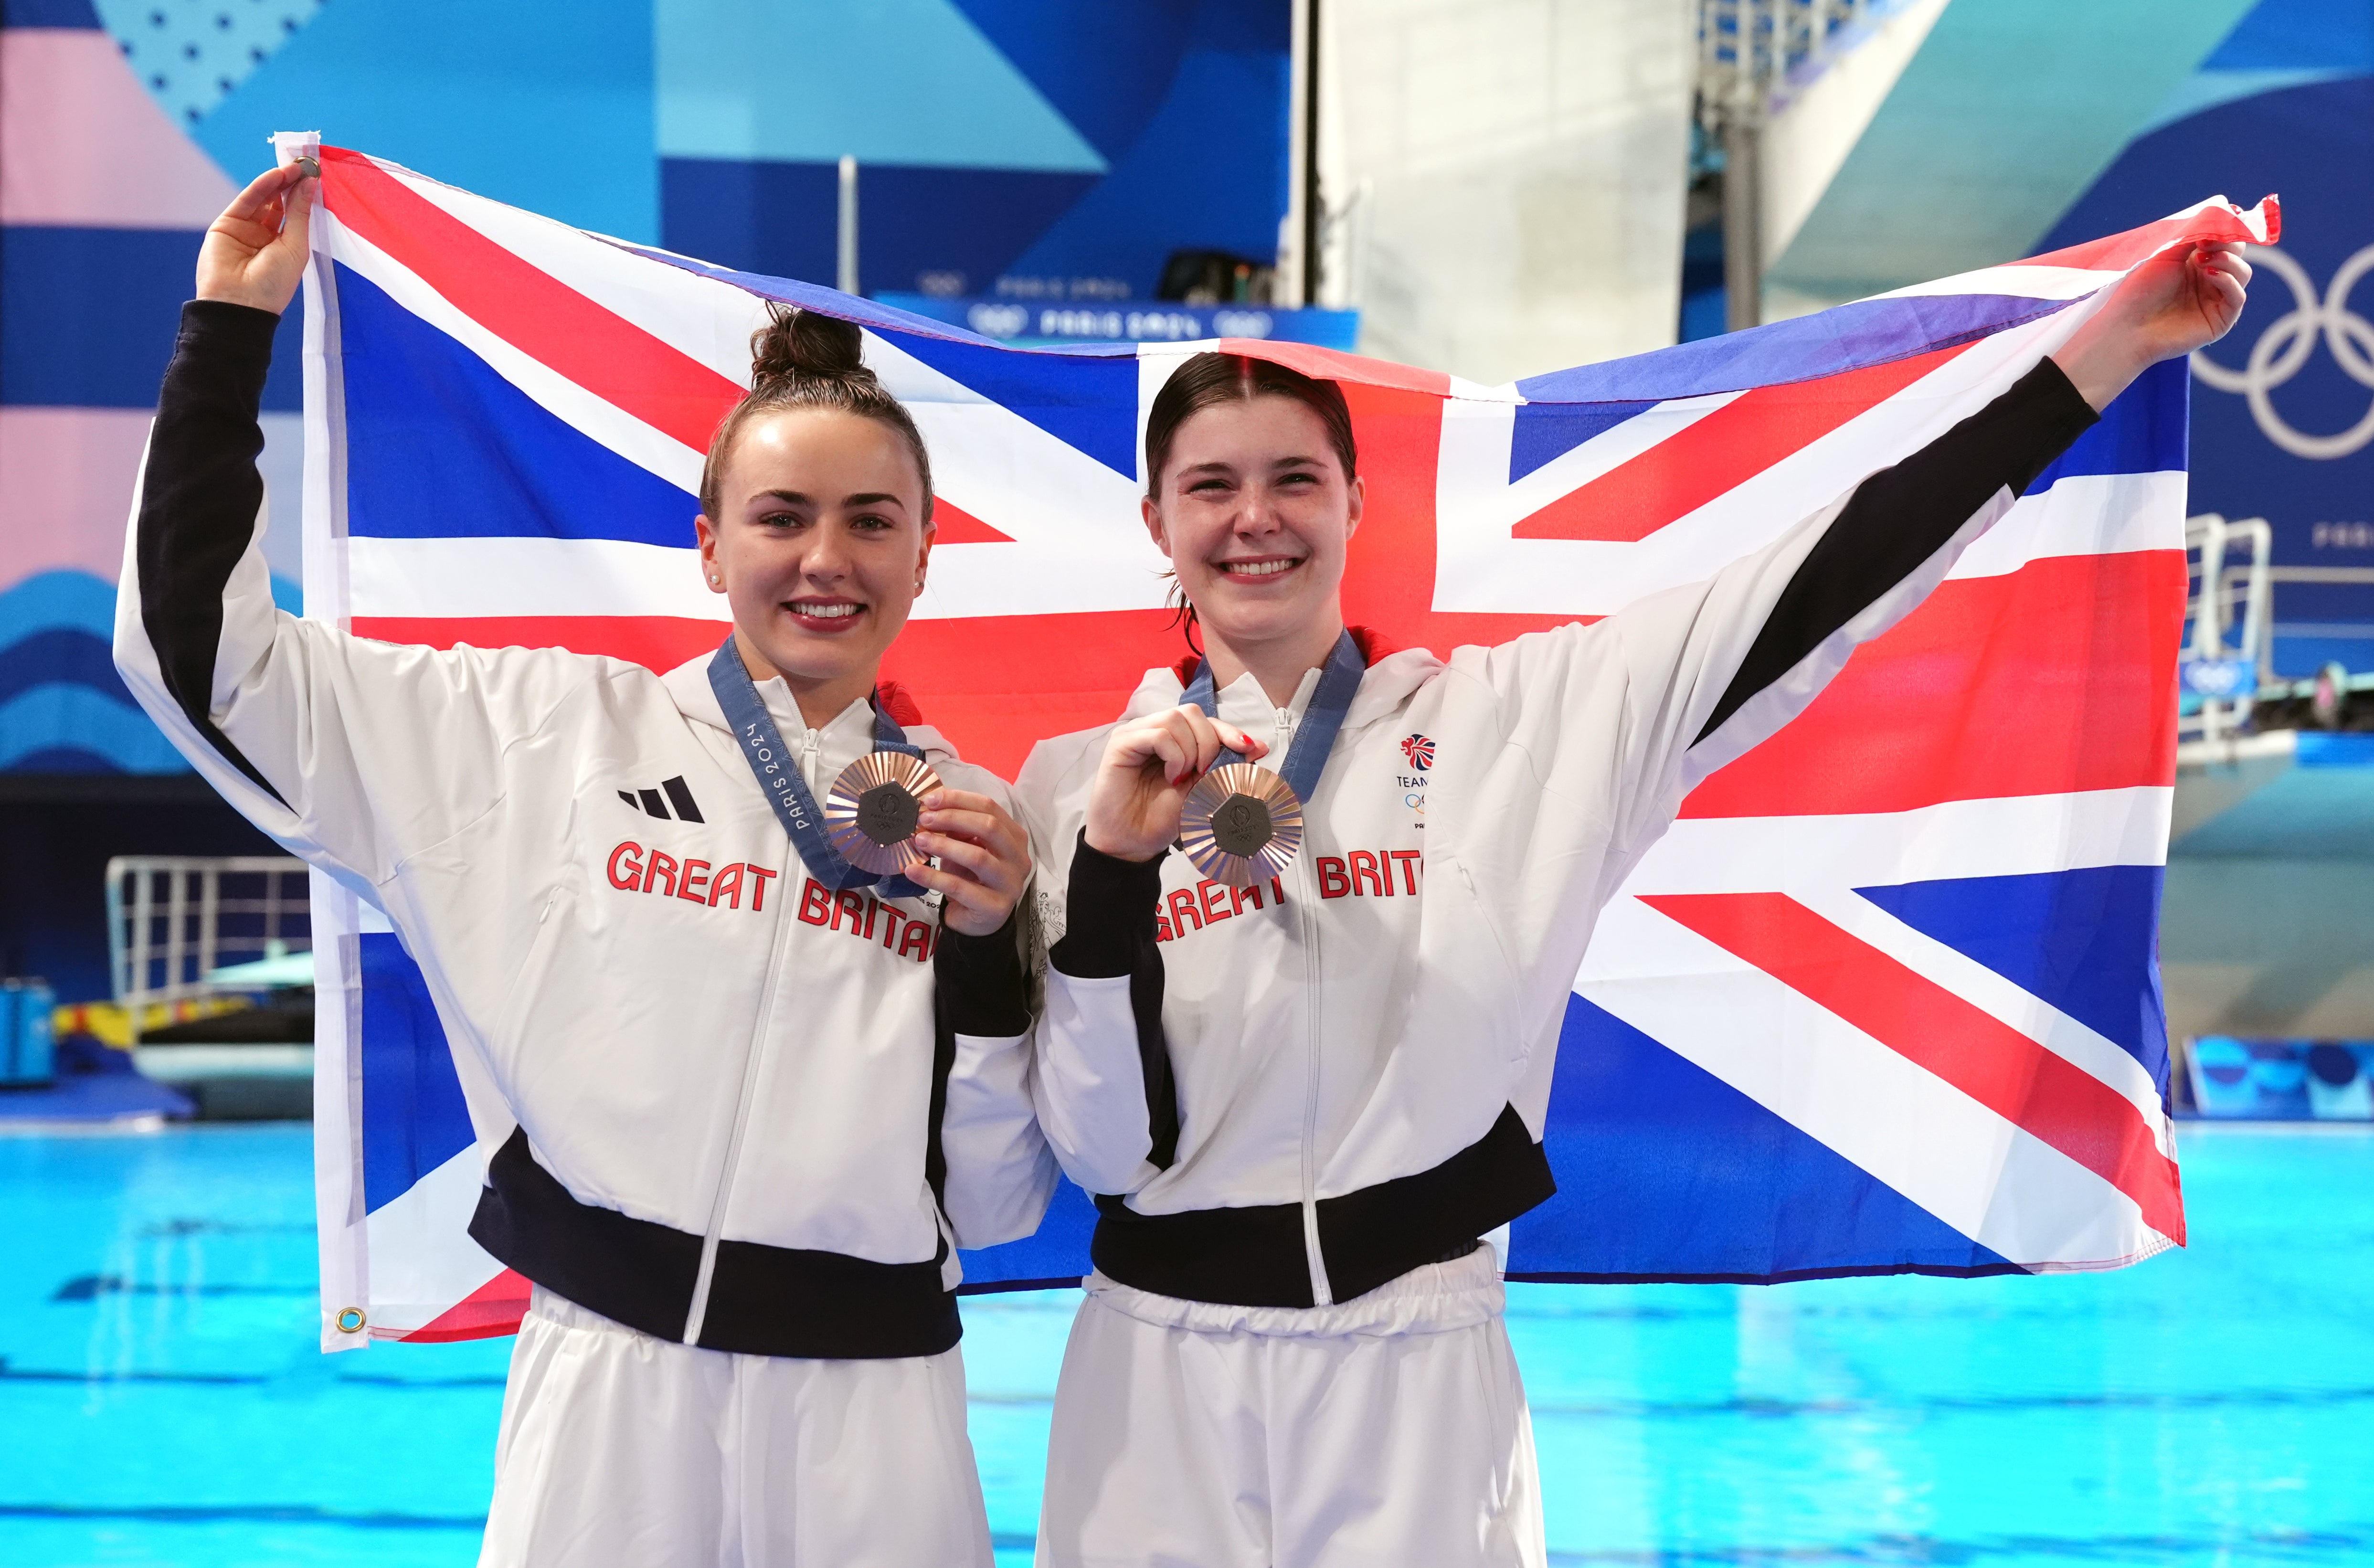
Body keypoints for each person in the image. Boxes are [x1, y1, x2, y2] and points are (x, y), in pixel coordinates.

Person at [1016, 239, 2251, 1566]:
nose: (1252, 517)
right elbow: (1091, 1146)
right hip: (1152, 1376)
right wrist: (1108, 874)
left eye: (1292, 479)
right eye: (1210, 486)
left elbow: (1825, 576)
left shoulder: (1520, 722)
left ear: (1356, 500)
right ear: (1155, 519)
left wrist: (2108, 351)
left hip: (1416, 1372)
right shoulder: (1070, 788)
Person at [116, 160, 1058, 1568]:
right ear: (707, 544)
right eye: (781, 516)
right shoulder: (536, 736)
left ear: (925, 558)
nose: (826, 559)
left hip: (874, 1416)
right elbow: (209, 664)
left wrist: (993, 955)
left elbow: (993, 1202)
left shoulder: (975, 827)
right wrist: (225, 335)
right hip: (611, 1393)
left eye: (871, 521)